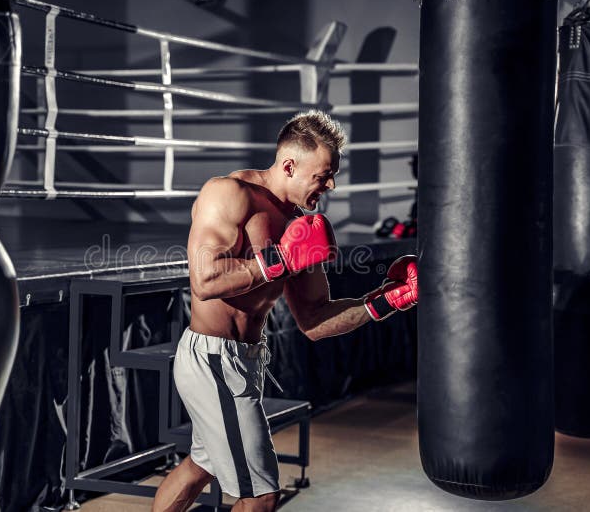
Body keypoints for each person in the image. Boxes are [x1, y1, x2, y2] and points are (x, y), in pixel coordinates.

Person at [152, 110, 418, 512]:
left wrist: (385, 300)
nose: (330, 184)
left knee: (198, 467)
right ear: (290, 165)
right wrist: (275, 262)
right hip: (212, 360)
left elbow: (314, 319)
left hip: (247, 360)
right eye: (323, 174)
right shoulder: (229, 193)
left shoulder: (301, 226)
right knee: (260, 495)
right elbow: (203, 282)